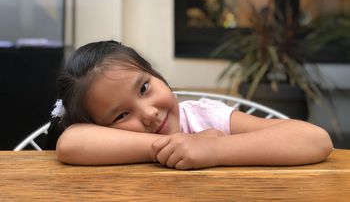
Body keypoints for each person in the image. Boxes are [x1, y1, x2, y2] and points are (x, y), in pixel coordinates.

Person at [47, 40, 333, 169]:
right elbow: (70, 143)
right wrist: (168, 148)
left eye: (145, 88)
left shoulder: (204, 117)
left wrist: (213, 148)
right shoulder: (103, 145)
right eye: (121, 115)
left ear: (156, 74)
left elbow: (315, 140)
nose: (149, 113)